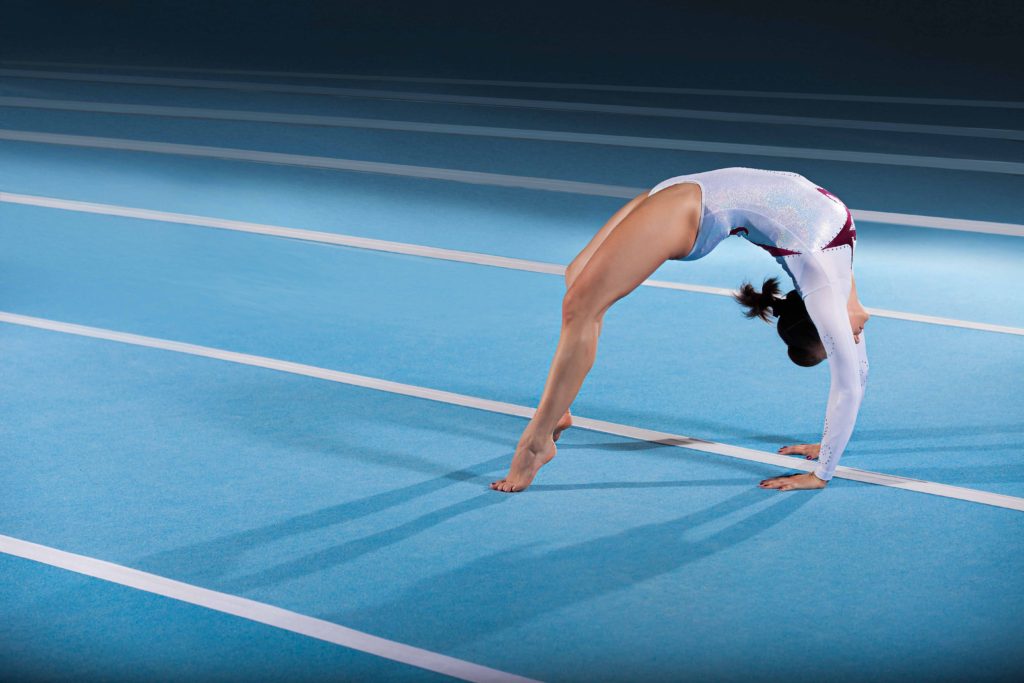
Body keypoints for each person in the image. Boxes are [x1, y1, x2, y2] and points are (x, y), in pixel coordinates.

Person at [490, 167, 870, 493]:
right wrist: (822, 474)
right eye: (838, 343)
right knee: (578, 291)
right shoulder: (823, 288)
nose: (853, 339)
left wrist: (826, 446)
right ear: (822, 324)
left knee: (581, 297)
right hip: (692, 209)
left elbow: (856, 369)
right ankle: (546, 430)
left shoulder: (838, 272)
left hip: (690, 194)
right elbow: (850, 383)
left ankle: (546, 426)